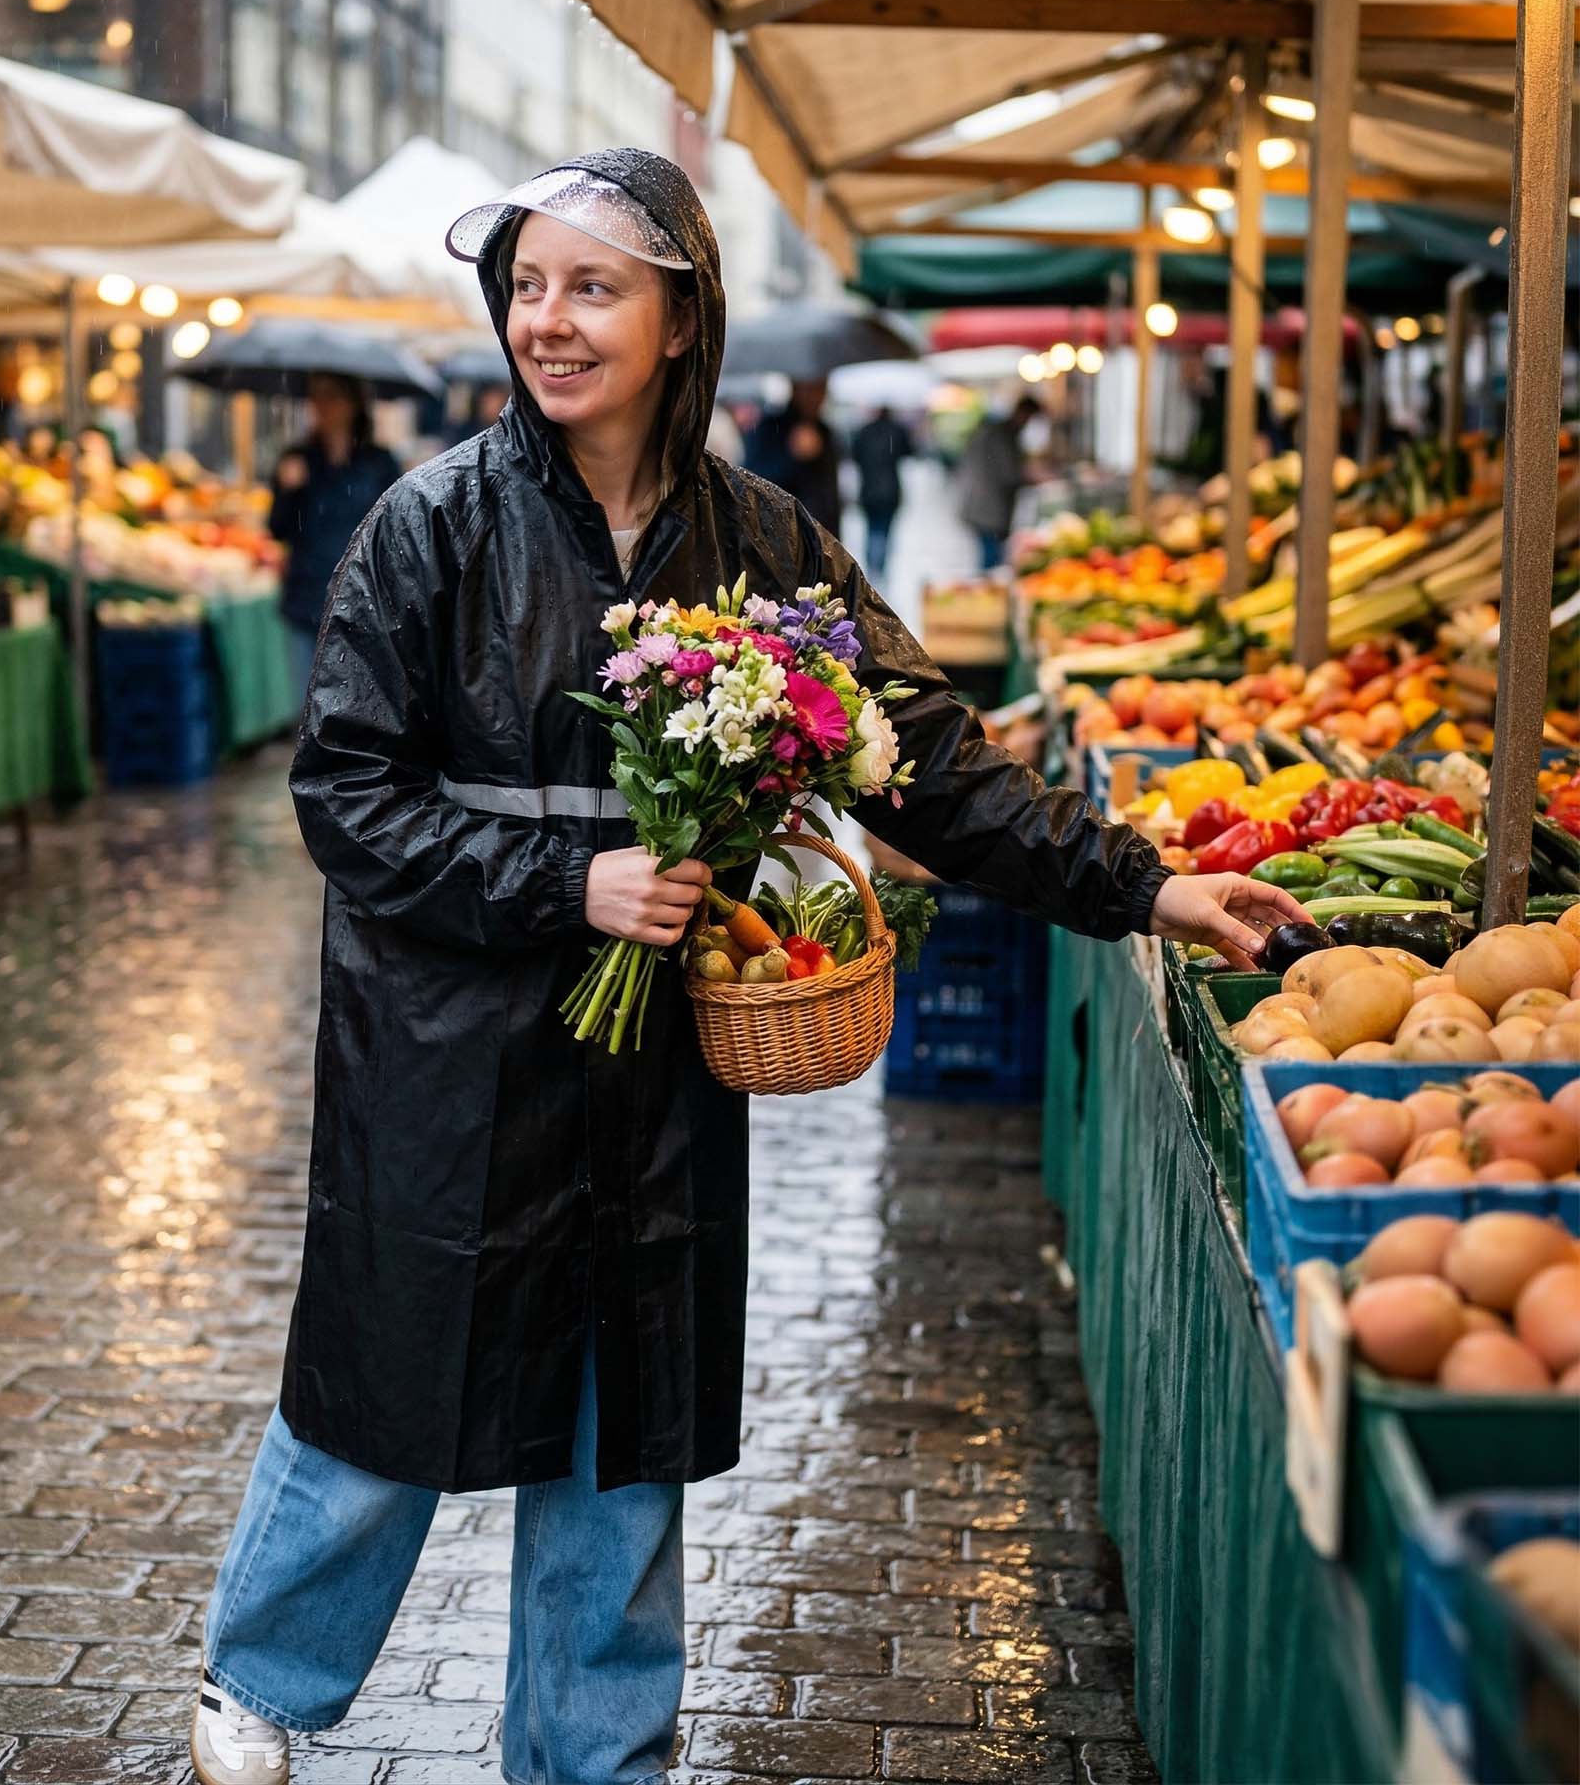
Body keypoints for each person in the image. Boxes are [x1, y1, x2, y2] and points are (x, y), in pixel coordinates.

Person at [188, 150, 1312, 1785]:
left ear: (680, 314)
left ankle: (597, 1755)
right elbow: (345, 801)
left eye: (591, 287)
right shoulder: (426, 528)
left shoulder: (763, 538)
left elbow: (923, 757)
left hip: (650, 1068)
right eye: (527, 286)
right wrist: (571, 880)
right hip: (442, 1041)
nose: (547, 323)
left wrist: (1141, 887)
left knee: (618, 1415)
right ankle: (264, 1682)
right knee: (385, 1376)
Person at [266, 372, 402, 709]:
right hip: (306, 597)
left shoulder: (378, 463)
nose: (322, 406)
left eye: (332, 396)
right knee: (308, 707)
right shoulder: (298, 460)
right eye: (316, 397)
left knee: (357, 707)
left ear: (353, 403)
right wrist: (287, 490)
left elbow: (397, 531)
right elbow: (277, 529)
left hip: (364, 600)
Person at [744, 374, 843, 532]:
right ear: (795, 388)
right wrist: (793, 457)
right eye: (811, 389)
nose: (817, 397)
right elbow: (754, 480)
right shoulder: (770, 427)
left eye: (822, 389)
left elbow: (830, 493)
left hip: (821, 533)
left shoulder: (825, 432)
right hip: (782, 531)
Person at [958, 390, 1041, 571]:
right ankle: (986, 593)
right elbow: (1009, 473)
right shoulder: (1002, 435)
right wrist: (1036, 479)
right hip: (989, 509)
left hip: (982, 505)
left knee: (990, 556)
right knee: (991, 561)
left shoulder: (997, 430)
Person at [850, 403, 918, 578]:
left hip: (869, 490)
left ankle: (874, 566)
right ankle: (879, 566)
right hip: (890, 490)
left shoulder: (864, 431)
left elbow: (854, 456)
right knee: (885, 530)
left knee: (872, 529)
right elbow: (909, 452)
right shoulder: (896, 431)